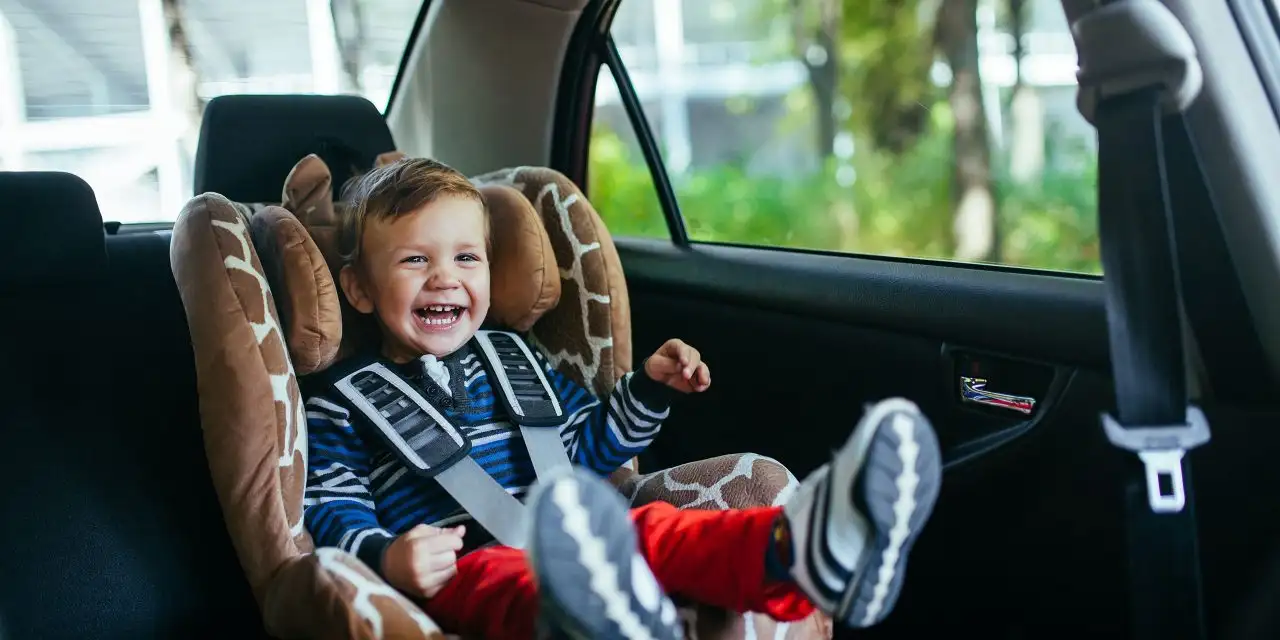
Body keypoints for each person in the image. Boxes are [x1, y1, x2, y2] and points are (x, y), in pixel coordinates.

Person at [301, 157, 943, 639]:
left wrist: (648, 390)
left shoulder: (513, 357)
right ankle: (603, 619)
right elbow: (330, 506)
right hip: (462, 565)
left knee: (659, 530)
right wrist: (389, 554)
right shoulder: (344, 401)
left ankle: (802, 554)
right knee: (515, 582)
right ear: (358, 289)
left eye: (467, 257)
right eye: (416, 261)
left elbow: (587, 446)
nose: (446, 277)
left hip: (576, 531)